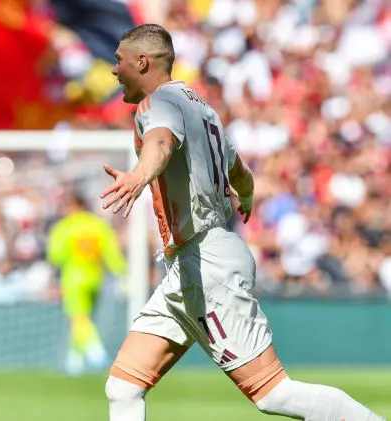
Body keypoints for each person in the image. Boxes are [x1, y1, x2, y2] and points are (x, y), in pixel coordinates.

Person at [99, 23, 386, 421]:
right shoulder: (201, 107)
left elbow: (160, 144)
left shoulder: (157, 105)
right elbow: (241, 172)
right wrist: (245, 195)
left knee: (273, 394)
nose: (114, 70)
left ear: (142, 61)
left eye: (119, 61)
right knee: (123, 386)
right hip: (190, 265)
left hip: (206, 263)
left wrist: (138, 176)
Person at [47, 192, 127, 375]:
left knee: (78, 318)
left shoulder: (65, 227)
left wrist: (52, 278)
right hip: (95, 277)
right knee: (85, 319)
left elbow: (55, 255)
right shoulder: (98, 225)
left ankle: (96, 353)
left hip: (73, 278)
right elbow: (112, 254)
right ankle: (75, 361)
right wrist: (122, 272)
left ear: (75, 206)